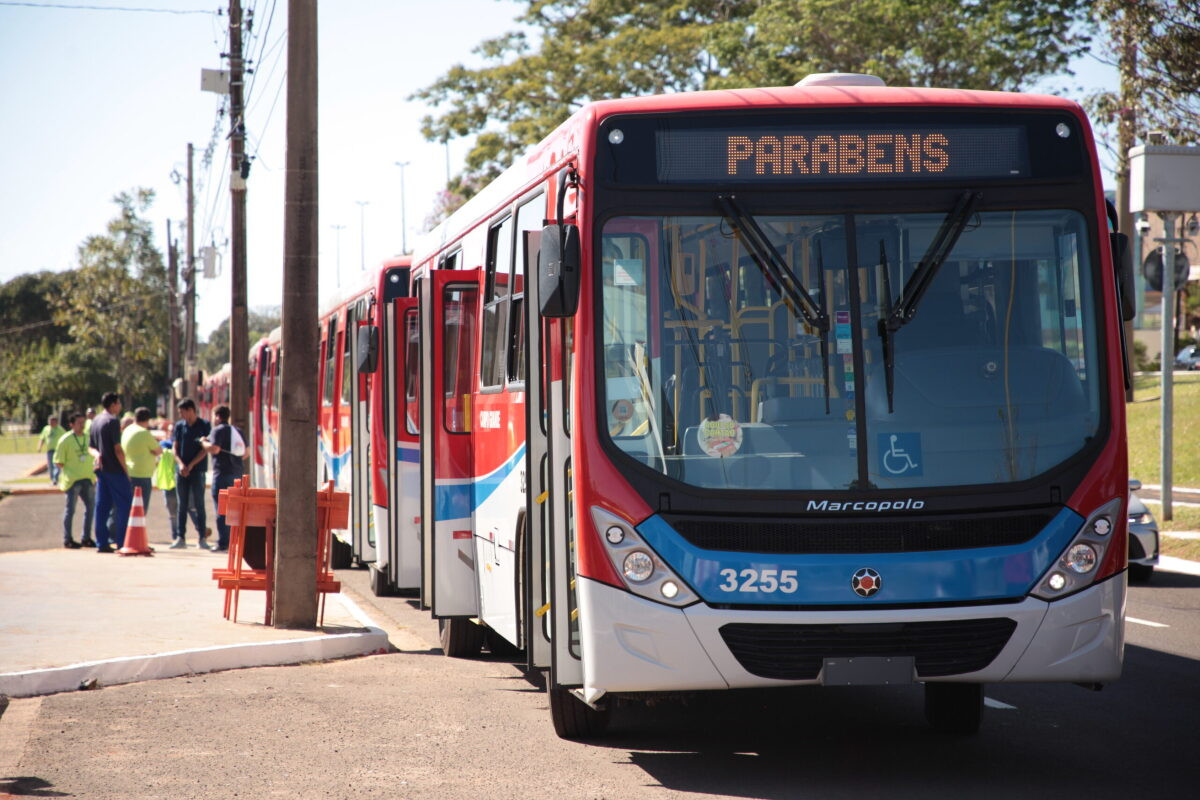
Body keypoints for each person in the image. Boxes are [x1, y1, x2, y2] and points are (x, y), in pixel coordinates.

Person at [88, 392, 132, 553]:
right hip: (115, 469)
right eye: (119, 403)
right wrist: (126, 471)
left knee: (102, 507)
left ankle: (102, 543)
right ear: (113, 404)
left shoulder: (96, 420)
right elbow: (118, 449)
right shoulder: (113, 421)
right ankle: (122, 542)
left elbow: (90, 447)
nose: (120, 406)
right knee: (124, 505)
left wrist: (97, 455)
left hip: (101, 469)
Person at [200, 404, 245, 553]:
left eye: (213, 416)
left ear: (218, 416)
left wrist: (203, 442)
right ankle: (235, 541)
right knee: (235, 509)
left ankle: (223, 543)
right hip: (237, 474)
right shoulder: (237, 431)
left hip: (222, 474)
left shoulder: (217, 430)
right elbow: (246, 452)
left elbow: (215, 449)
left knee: (222, 510)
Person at [172, 397, 212, 550]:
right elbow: (175, 448)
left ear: (190, 410)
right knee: (181, 505)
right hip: (181, 471)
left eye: (182, 412)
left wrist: (191, 465)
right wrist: (181, 465)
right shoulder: (179, 426)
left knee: (199, 504)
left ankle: (202, 538)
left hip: (197, 471)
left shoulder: (204, 425)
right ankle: (180, 537)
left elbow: (204, 450)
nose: (181, 415)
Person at [53, 412, 94, 549]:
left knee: (91, 508)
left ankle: (86, 537)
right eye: (79, 423)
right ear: (71, 424)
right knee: (70, 510)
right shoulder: (65, 440)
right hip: (72, 480)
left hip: (87, 478)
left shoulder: (88, 438)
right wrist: (71, 469)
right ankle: (68, 539)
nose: (82, 426)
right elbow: (58, 462)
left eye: (83, 423)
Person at [121, 407, 161, 517]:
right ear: (147, 420)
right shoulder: (144, 433)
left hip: (128, 472)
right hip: (142, 475)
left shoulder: (127, 430)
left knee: (129, 508)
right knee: (141, 510)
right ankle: (136, 533)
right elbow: (158, 450)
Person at [155, 419, 179, 538]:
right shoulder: (164, 444)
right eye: (170, 431)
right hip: (168, 481)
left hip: (180, 480)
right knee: (172, 510)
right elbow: (159, 455)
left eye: (173, 431)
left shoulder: (180, 444)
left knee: (185, 509)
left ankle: (180, 534)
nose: (171, 433)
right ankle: (175, 534)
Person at [37, 415, 63, 485]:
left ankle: (55, 479)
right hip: (49, 450)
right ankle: (53, 480)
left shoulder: (60, 429)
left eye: (53, 422)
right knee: (50, 466)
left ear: (56, 422)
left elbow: (65, 438)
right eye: (50, 421)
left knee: (57, 465)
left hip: (58, 450)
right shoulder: (46, 429)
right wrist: (39, 447)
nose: (51, 423)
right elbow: (42, 438)